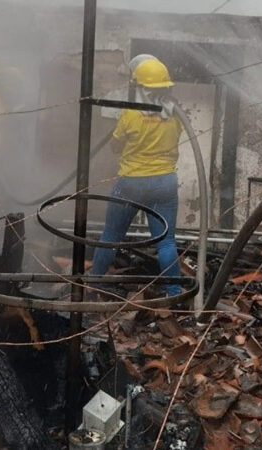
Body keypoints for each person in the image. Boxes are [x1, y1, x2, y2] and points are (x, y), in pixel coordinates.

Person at [90, 57, 183, 298]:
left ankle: (92, 284)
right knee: (166, 242)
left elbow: (115, 146)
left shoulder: (131, 115)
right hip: (165, 181)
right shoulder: (175, 114)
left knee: (111, 235)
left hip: (132, 183)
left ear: (139, 86)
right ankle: (174, 292)